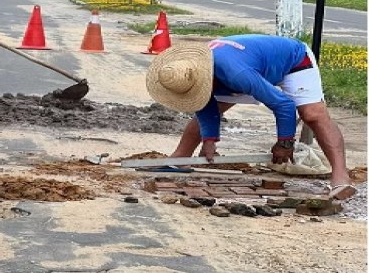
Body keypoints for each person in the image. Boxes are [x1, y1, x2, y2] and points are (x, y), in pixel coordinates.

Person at [145, 34, 356, 200]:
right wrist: (210, 140)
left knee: (313, 115)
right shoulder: (193, 69)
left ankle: (340, 175)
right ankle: (180, 159)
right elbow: (204, 105)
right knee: (212, 106)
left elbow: (283, 105)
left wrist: (285, 142)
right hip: (245, 65)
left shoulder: (237, 74)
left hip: (293, 61)